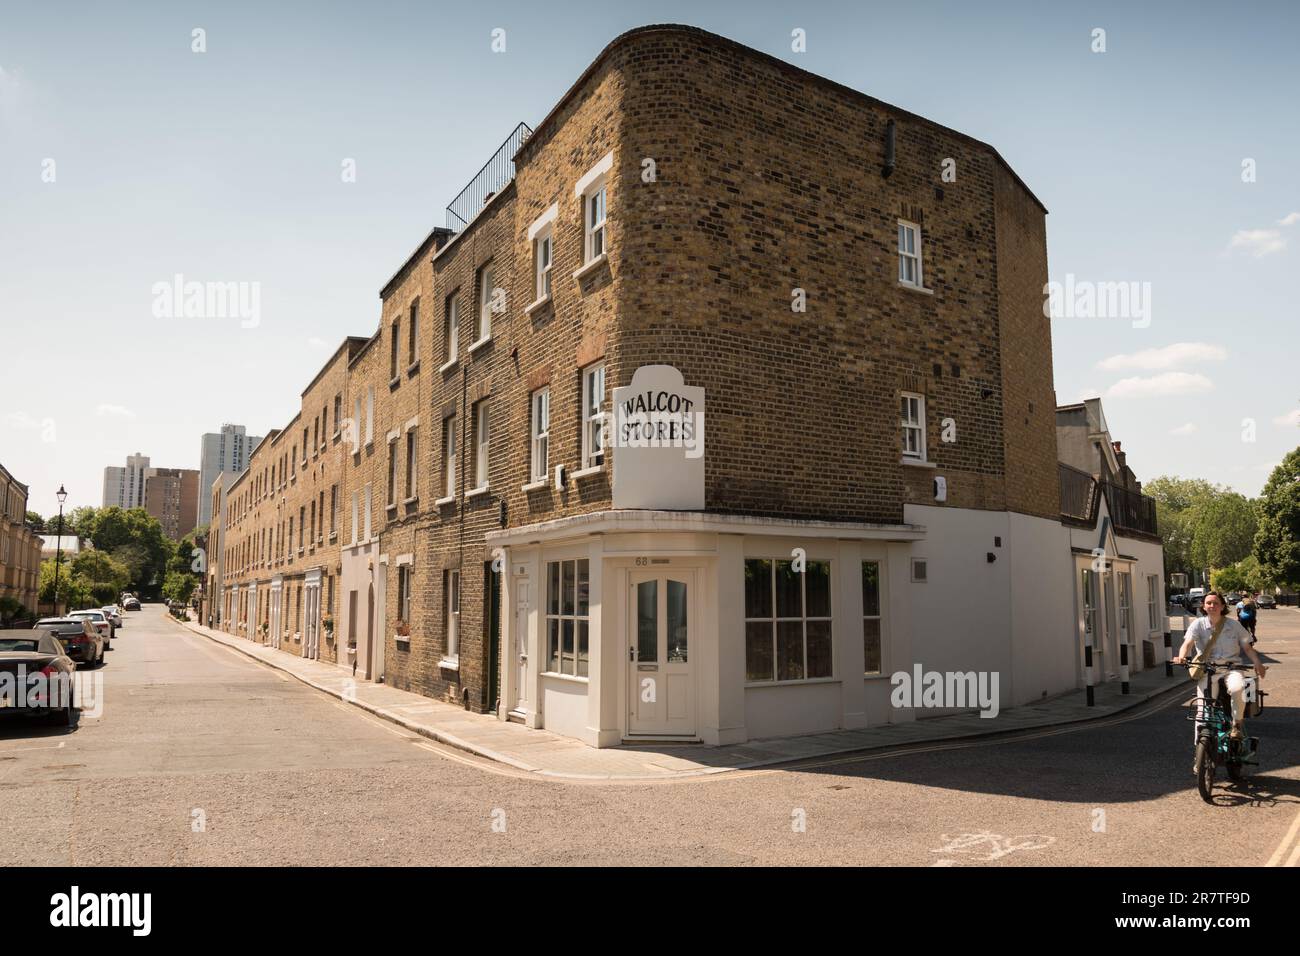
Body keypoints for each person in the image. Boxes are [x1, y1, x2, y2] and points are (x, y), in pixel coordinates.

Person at [1173, 591, 1267, 761]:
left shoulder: (1233, 625)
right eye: (1208, 603)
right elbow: (1187, 644)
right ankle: (1199, 754)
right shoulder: (1198, 625)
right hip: (1207, 671)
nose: (1212, 606)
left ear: (1222, 606)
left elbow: (1247, 648)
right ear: (1203, 606)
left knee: (1238, 688)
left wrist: (1257, 663)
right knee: (1203, 712)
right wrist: (1181, 657)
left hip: (1231, 668)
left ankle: (1236, 725)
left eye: (1216, 603)